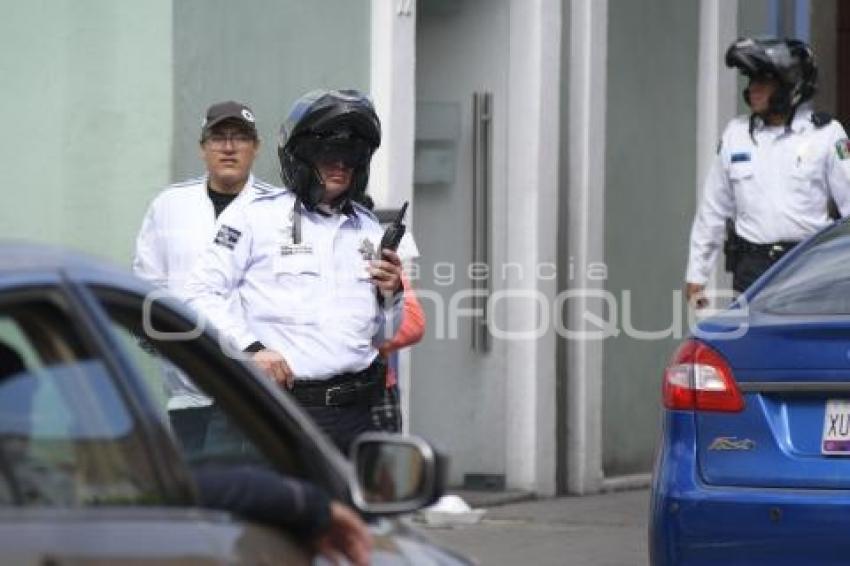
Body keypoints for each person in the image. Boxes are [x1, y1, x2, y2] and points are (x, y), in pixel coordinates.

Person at [185, 89, 404, 454]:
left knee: (357, 512)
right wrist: (252, 349)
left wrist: (391, 295)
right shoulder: (255, 216)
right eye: (329, 154)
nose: (341, 165)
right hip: (276, 409)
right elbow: (200, 293)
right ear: (302, 155)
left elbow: (384, 336)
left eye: (351, 156)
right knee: (267, 510)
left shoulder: (369, 229)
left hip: (358, 415)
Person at [132, 100, 277, 454]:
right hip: (188, 387)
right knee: (199, 494)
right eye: (218, 137)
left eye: (240, 138)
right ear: (203, 148)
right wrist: (168, 347)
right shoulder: (170, 205)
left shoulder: (277, 207)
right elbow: (148, 285)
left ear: (255, 147)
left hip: (256, 388)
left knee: (248, 494)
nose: (228, 147)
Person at [685, 37, 850, 308]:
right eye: (751, 81)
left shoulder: (826, 134)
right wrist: (697, 273)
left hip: (808, 269)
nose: (753, 89)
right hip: (752, 272)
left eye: (764, 81)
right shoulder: (735, 135)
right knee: (751, 347)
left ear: (790, 84)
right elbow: (713, 210)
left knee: (803, 348)